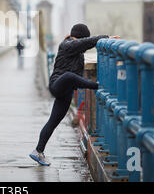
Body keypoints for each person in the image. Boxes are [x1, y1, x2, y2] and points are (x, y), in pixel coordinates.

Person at [29, 23, 118, 166]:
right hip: (57, 85)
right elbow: (84, 45)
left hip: (67, 91)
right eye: (84, 38)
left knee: (53, 123)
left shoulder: (76, 50)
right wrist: (105, 38)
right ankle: (98, 85)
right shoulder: (67, 44)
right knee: (69, 76)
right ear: (80, 36)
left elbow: (77, 76)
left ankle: (38, 151)